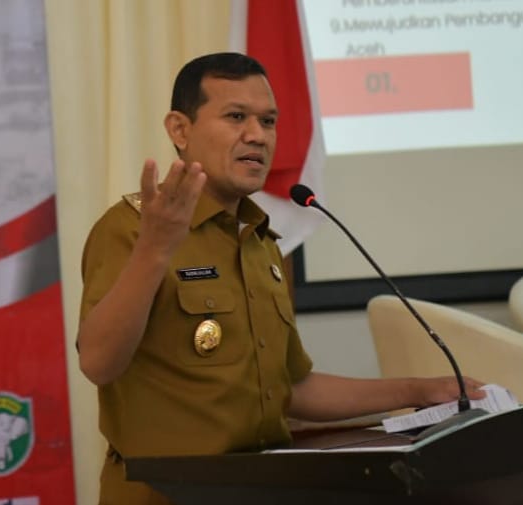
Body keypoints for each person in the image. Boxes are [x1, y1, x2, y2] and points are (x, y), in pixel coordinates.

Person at [77, 52, 485, 505]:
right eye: (236, 117)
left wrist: (417, 390)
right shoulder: (132, 229)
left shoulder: (260, 242)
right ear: (180, 129)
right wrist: (155, 250)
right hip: (167, 495)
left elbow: (293, 386)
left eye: (268, 121)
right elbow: (98, 363)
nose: (257, 135)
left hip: (263, 488)